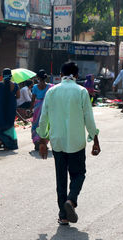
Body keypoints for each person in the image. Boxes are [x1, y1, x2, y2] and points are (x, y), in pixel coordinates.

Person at [37, 61, 100, 226]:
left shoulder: (52, 92)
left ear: (61, 74)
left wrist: (42, 140)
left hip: (57, 141)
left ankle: (63, 215)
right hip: (76, 142)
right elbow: (89, 118)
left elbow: (43, 118)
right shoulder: (81, 91)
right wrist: (95, 140)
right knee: (78, 174)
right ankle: (71, 201)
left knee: (60, 178)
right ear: (76, 76)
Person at [0, 68, 20, 150]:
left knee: (1, 124)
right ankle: (8, 143)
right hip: (11, 108)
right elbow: (18, 96)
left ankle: (1, 141)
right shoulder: (15, 85)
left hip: (1, 108)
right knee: (10, 125)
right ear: (11, 76)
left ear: (3, 76)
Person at [30, 70, 53, 150]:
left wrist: (30, 109)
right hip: (47, 107)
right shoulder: (51, 86)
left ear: (38, 78)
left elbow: (32, 100)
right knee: (46, 124)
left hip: (37, 108)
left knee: (36, 124)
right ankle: (44, 142)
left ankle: (37, 141)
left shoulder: (35, 87)